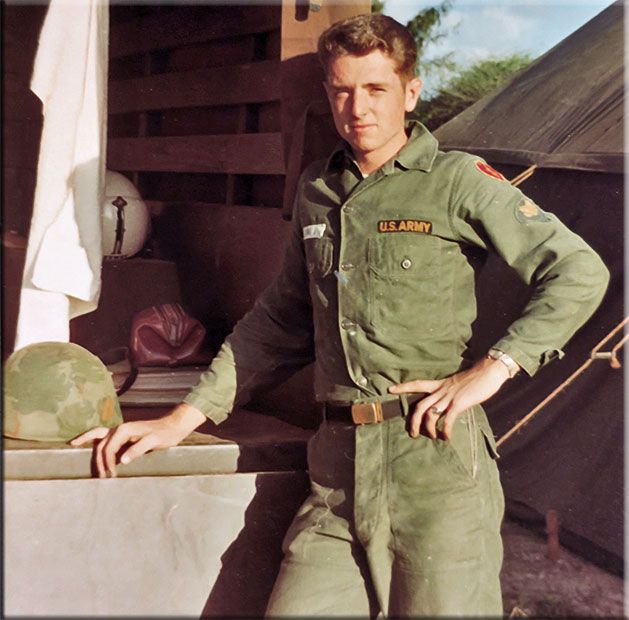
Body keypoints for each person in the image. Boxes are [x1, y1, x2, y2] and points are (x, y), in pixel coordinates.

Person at [72, 13, 609, 617]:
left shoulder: (458, 181)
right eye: (342, 90)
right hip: (336, 473)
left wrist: (494, 368)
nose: (358, 108)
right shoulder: (317, 190)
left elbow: (579, 271)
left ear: (410, 91)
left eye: (376, 88)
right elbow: (280, 320)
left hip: (432, 467)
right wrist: (181, 419)